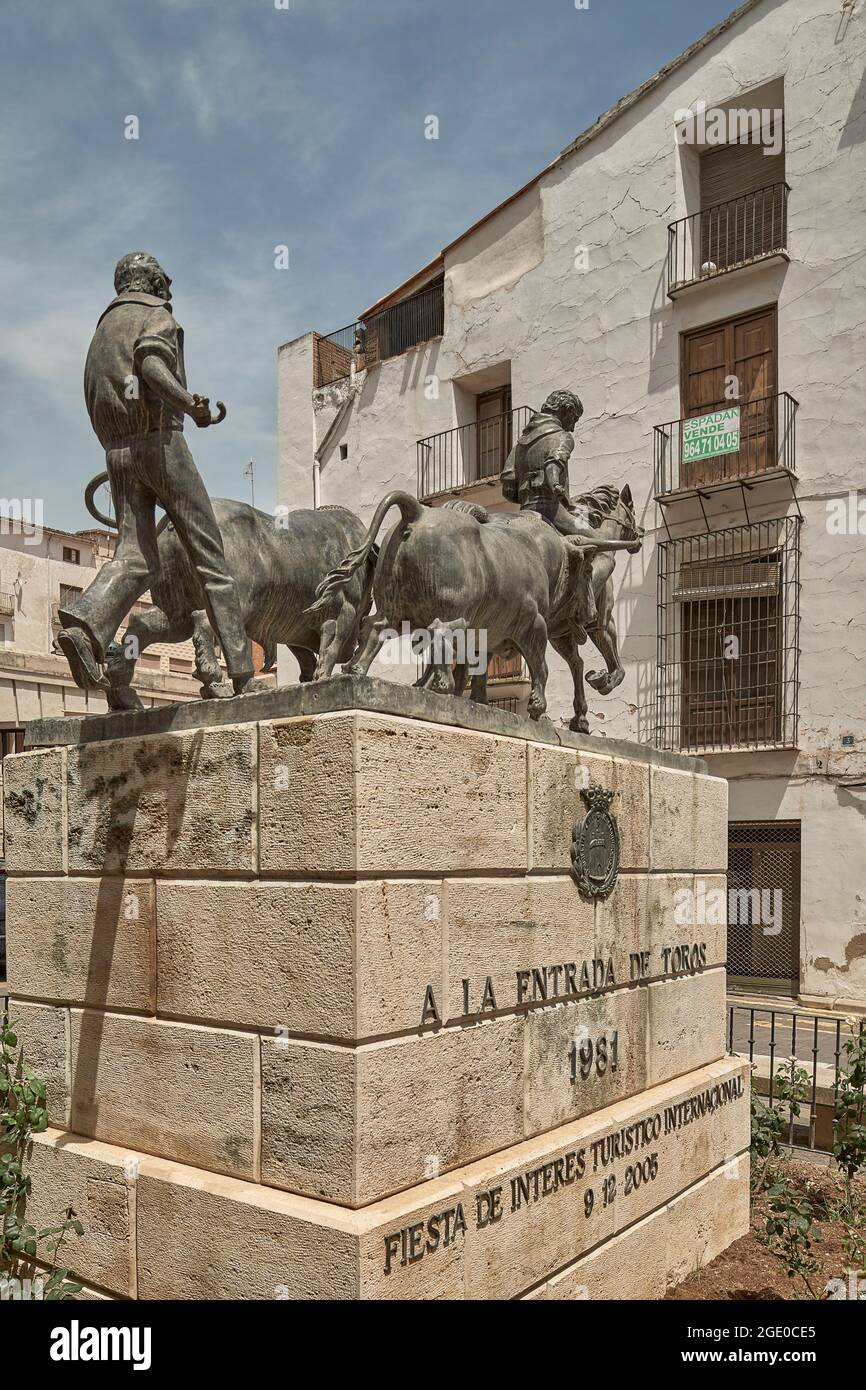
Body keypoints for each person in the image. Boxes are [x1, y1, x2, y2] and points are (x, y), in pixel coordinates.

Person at [55, 251, 253, 701]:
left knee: (135, 555)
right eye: (165, 280)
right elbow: (150, 364)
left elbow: (95, 393)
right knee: (211, 556)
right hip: (160, 442)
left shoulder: (102, 331)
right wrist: (189, 404)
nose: (170, 288)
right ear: (153, 282)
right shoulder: (156, 314)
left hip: (117, 452)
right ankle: (243, 677)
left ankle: (87, 625)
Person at [501, 389, 598, 626]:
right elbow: (555, 463)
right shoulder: (562, 436)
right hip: (552, 509)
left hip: (525, 510)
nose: (573, 427)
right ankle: (577, 607)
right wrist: (556, 487)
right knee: (595, 541)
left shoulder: (521, 444)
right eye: (573, 420)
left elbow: (507, 487)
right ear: (565, 412)